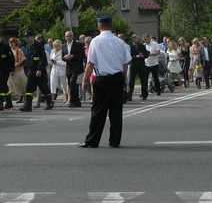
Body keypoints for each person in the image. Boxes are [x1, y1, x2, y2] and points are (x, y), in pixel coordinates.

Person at [78, 13, 131, 148]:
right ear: (111, 26)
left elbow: (90, 63)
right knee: (116, 112)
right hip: (117, 78)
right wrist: (125, 79)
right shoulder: (120, 42)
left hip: (103, 79)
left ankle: (92, 140)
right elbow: (125, 64)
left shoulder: (96, 41)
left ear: (99, 26)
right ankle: (115, 140)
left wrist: (84, 80)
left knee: (98, 111)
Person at [19, 30, 53, 112]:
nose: (26, 38)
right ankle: (27, 106)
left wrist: (40, 69)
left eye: (27, 37)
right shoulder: (28, 47)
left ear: (32, 37)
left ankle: (49, 103)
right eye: (25, 37)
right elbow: (29, 59)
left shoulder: (39, 46)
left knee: (44, 88)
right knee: (28, 88)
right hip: (31, 71)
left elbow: (42, 59)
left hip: (39, 71)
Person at [63, 30, 85, 107]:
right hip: (68, 68)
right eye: (67, 36)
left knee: (73, 83)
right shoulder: (64, 46)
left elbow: (82, 56)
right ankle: (76, 101)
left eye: (70, 36)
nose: (68, 38)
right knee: (70, 84)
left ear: (72, 37)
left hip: (76, 67)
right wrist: (65, 58)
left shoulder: (78, 45)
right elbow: (62, 57)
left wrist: (73, 56)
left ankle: (73, 101)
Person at [128, 33, 148, 101]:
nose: (138, 39)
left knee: (144, 80)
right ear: (133, 39)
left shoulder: (142, 46)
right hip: (133, 66)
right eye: (137, 38)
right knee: (131, 81)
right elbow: (129, 56)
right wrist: (135, 57)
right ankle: (129, 95)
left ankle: (144, 94)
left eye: (138, 38)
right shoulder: (130, 47)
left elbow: (146, 54)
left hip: (141, 65)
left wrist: (143, 56)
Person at [7, 37, 27, 103]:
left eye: (11, 42)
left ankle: (25, 98)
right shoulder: (9, 51)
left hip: (19, 70)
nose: (10, 43)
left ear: (15, 43)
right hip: (11, 71)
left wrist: (13, 67)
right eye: (9, 42)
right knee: (11, 85)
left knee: (22, 85)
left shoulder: (19, 50)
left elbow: (21, 61)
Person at [48, 39, 68, 106]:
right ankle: (52, 99)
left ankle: (67, 98)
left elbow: (65, 63)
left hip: (62, 71)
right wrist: (52, 61)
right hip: (54, 71)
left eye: (57, 46)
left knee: (64, 84)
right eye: (54, 46)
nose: (55, 48)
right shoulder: (53, 51)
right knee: (53, 84)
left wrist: (57, 62)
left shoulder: (63, 52)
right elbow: (50, 59)